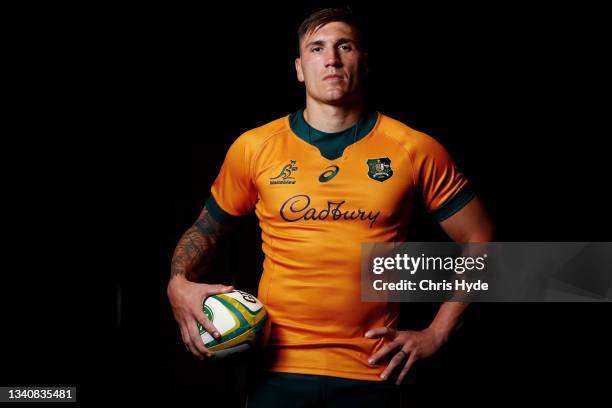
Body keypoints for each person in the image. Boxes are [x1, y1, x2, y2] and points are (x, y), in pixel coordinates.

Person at [167, 7, 494, 408]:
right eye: (317, 48)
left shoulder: (414, 148)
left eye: (345, 46)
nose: (332, 59)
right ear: (300, 68)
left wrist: (438, 332)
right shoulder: (255, 147)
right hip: (276, 371)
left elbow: (481, 238)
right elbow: (206, 230)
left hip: (373, 370)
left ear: (364, 61)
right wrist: (179, 281)